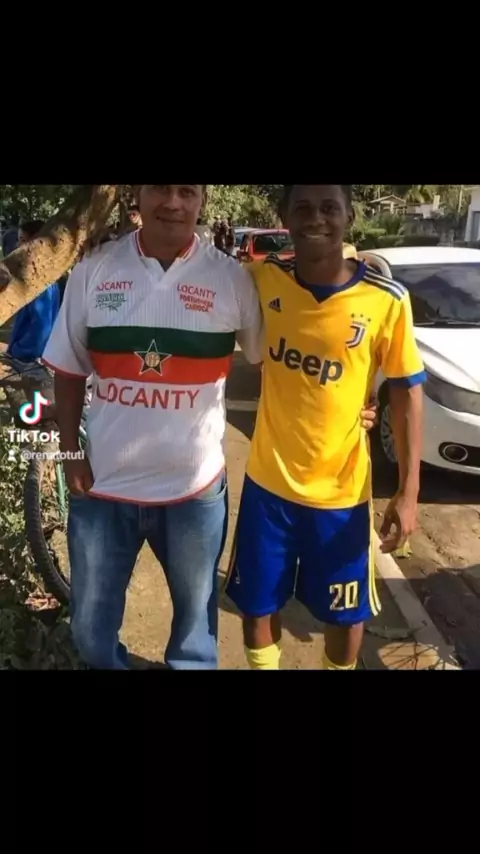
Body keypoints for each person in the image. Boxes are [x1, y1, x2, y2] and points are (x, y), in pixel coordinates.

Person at [42, 184, 378, 671]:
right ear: (138, 195)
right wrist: (71, 452)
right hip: (103, 491)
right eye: (160, 188)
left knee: (194, 644)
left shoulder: (231, 279)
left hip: (194, 495)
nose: (173, 202)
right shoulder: (95, 269)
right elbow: (69, 370)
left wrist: (352, 403)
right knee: (91, 636)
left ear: (202, 200)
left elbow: (282, 361)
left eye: (187, 191)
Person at [225, 184, 425, 671]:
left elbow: (406, 392)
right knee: (256, 606)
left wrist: (409, 491)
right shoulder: (264, 278)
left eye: (330, 208)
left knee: (346, 617)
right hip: (268, 486)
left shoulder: (387, 300)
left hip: (342, 496)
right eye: (303, 208)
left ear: (350, 216)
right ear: (284, 218)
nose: (316, 218)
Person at [6, 220, 61, 365]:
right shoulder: (47, 276)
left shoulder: (38, 283)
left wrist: (17, 350)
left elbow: (41, 329)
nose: (17, 246)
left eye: (23, 240)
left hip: (29, 361)